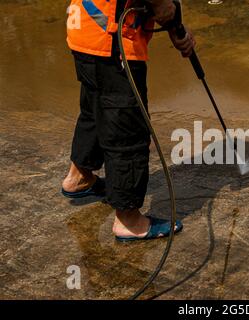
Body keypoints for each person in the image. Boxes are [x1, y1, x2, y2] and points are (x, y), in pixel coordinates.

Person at [61, 0, 195, 242]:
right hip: (113, 38)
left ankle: (79, 178)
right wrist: (164, 7)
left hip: (84, 27)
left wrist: (175, 26)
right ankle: (130, 222)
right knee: (127, 129)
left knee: (95, 107)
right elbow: (161, 5)